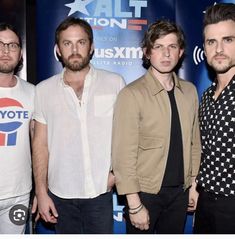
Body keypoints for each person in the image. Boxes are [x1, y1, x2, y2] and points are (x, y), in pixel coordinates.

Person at [32, 17, 125, 234]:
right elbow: (40, 144)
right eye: (67, 43)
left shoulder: (115, 83)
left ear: (91, 47)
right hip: (60, 194)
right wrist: (41, 191)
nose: (74, 49)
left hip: (100, 193)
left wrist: (116, 174)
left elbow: (126, 136)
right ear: (58, 49)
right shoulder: (43, 90)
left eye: (81, 42)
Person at [112, 19, 201, 234]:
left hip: (180, 193)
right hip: (145, 194)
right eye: (159, 47)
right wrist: (134, 205)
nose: (166, 54)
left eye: (172, 47)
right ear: (147, 52)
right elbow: (123, 155)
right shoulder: (132, 94)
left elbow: (194, 143)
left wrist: (194, 185)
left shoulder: (189, 91)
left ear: (180, 52)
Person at [194, 3, 235, 234]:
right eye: (212, 42)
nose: (219, 49)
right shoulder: (208, 96)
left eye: (228, 40)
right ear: (205, 48)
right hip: (205, 202)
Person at [0, 23, 35, 233]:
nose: (5, 51)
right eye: (0, 44)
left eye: (12, 45)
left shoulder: (32, 93)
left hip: (19, 194)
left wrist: (40, 190)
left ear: (20, 53)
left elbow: (39, 144)